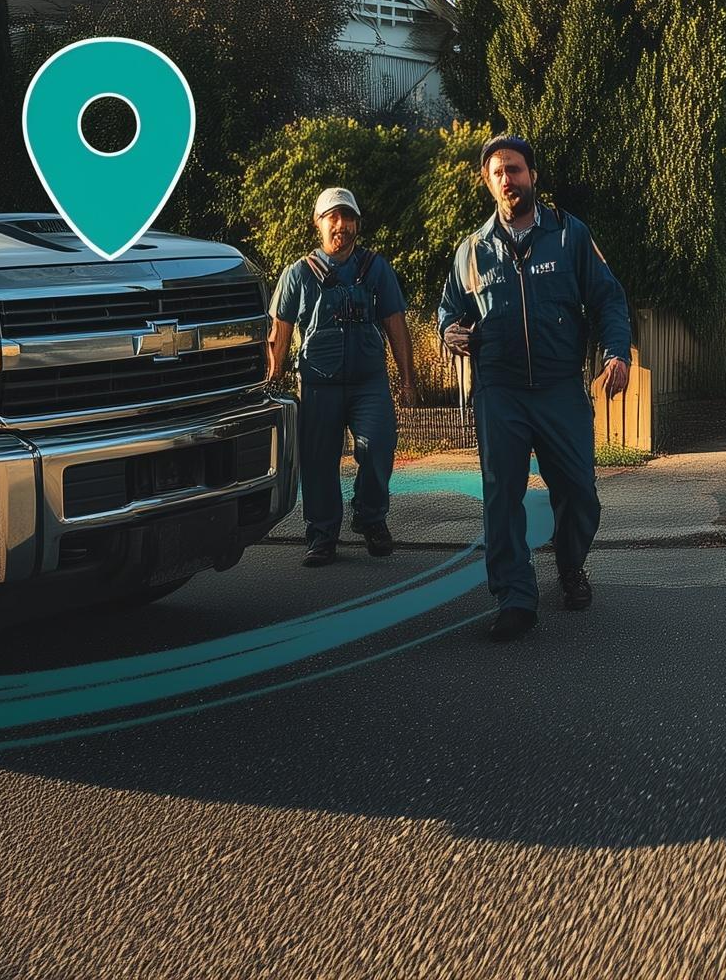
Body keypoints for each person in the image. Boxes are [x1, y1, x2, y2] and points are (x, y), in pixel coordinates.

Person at [436, 135, 632, 643]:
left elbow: (608, 299)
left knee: (579, 490)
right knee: (502, 495)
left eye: (516, 169)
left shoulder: (569, 235)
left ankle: (570, 565)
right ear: (487, 181)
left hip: (559, 386)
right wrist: (448, 332)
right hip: (498, 389)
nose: (508, 179)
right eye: (498, 172)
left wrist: (616, 352)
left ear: (533, 176)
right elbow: (449, 312)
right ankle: (515, 597)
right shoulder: (471, 251)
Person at [267, 186, 416, 566]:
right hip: (318, 384)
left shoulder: (376, 268)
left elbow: (396, 323)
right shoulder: (298, 273)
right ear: (317, 223)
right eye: (332, 217)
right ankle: (322, 535)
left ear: (357, 224)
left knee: (378, 446)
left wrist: (408, 379)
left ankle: (370, 516)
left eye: (348, 217)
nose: (341, 225)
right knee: (318, 463)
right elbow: (280, 329)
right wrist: (272, 377)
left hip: (369, 382)